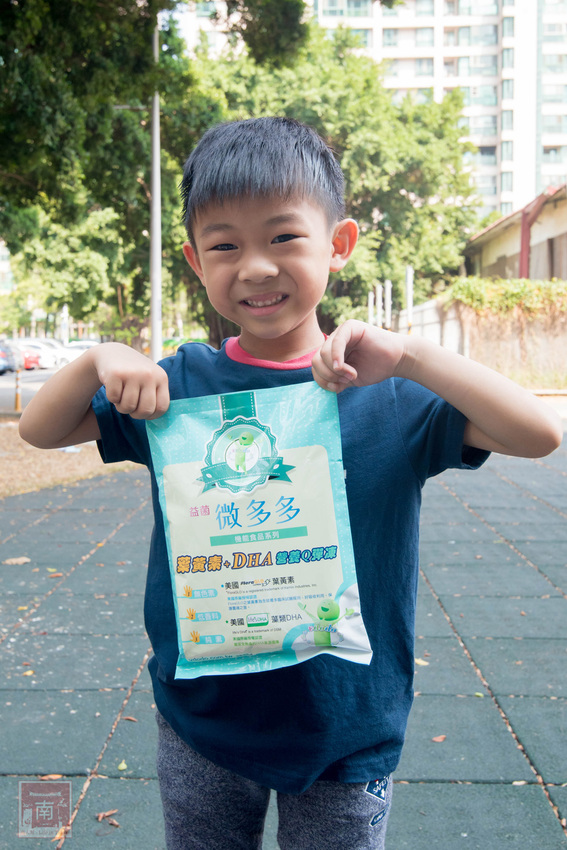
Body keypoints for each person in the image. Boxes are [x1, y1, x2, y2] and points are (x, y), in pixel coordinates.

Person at [19, 117, 562, 850]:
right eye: (224, 246)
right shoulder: (176, 386)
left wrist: (409, 358)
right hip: (204, 716)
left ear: (338, 245)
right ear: (194, 260)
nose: (255, 267)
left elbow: (538, 434)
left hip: (346, 724)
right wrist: (97, 360)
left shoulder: (385, 393)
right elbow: (40, 431)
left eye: (283, 238)